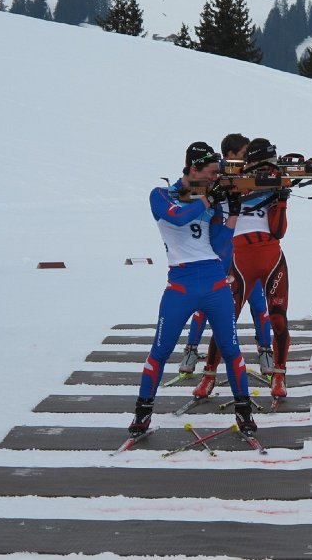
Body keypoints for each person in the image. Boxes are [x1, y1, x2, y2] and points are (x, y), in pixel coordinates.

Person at [129, 141, 256, 437]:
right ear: (194, 168)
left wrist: (232, 214)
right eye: (211, 172)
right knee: (160, 351)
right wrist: (209, 199)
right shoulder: (161, 195)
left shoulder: (209, 198)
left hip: (213, 281)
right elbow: (177, 217)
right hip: (181, 283)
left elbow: (220, 245)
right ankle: (142, 413)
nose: (215, 177)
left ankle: (244, 412)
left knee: (231, 350)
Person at [193, 138, 291, 399]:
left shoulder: (272, 183)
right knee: (225, 319)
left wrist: (281, 200)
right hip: (239, 259)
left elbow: (279, 231)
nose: (268, 168)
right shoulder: (228, 179)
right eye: (264, 163)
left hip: (271, 256)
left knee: (278, 318)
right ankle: (209, 374)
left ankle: (279, 375)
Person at [179, 133, 273, 375]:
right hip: (221, 253)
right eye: (243, 155)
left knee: (258, 302)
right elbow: (186, 191)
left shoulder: (253, 176)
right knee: (205, 303)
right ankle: (191, 349)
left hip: (246, 253)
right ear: (230, 156)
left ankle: (265, 349)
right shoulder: (215, 176)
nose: (247, 159)